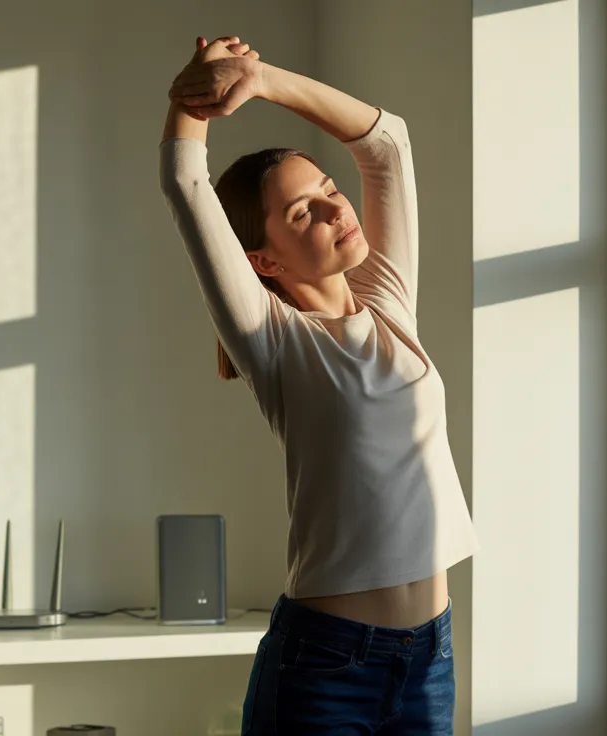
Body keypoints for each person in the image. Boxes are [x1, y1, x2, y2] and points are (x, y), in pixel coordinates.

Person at [158, 36, 479, 734]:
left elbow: (387, 143)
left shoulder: (389, 302)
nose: (338, 212)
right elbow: (186, 185)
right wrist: (194, 98)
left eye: (329, 192)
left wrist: (261, 79)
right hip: (325, 668)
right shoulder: (274, 343)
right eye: (304, 212)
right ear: (263, 260)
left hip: (429, 660)